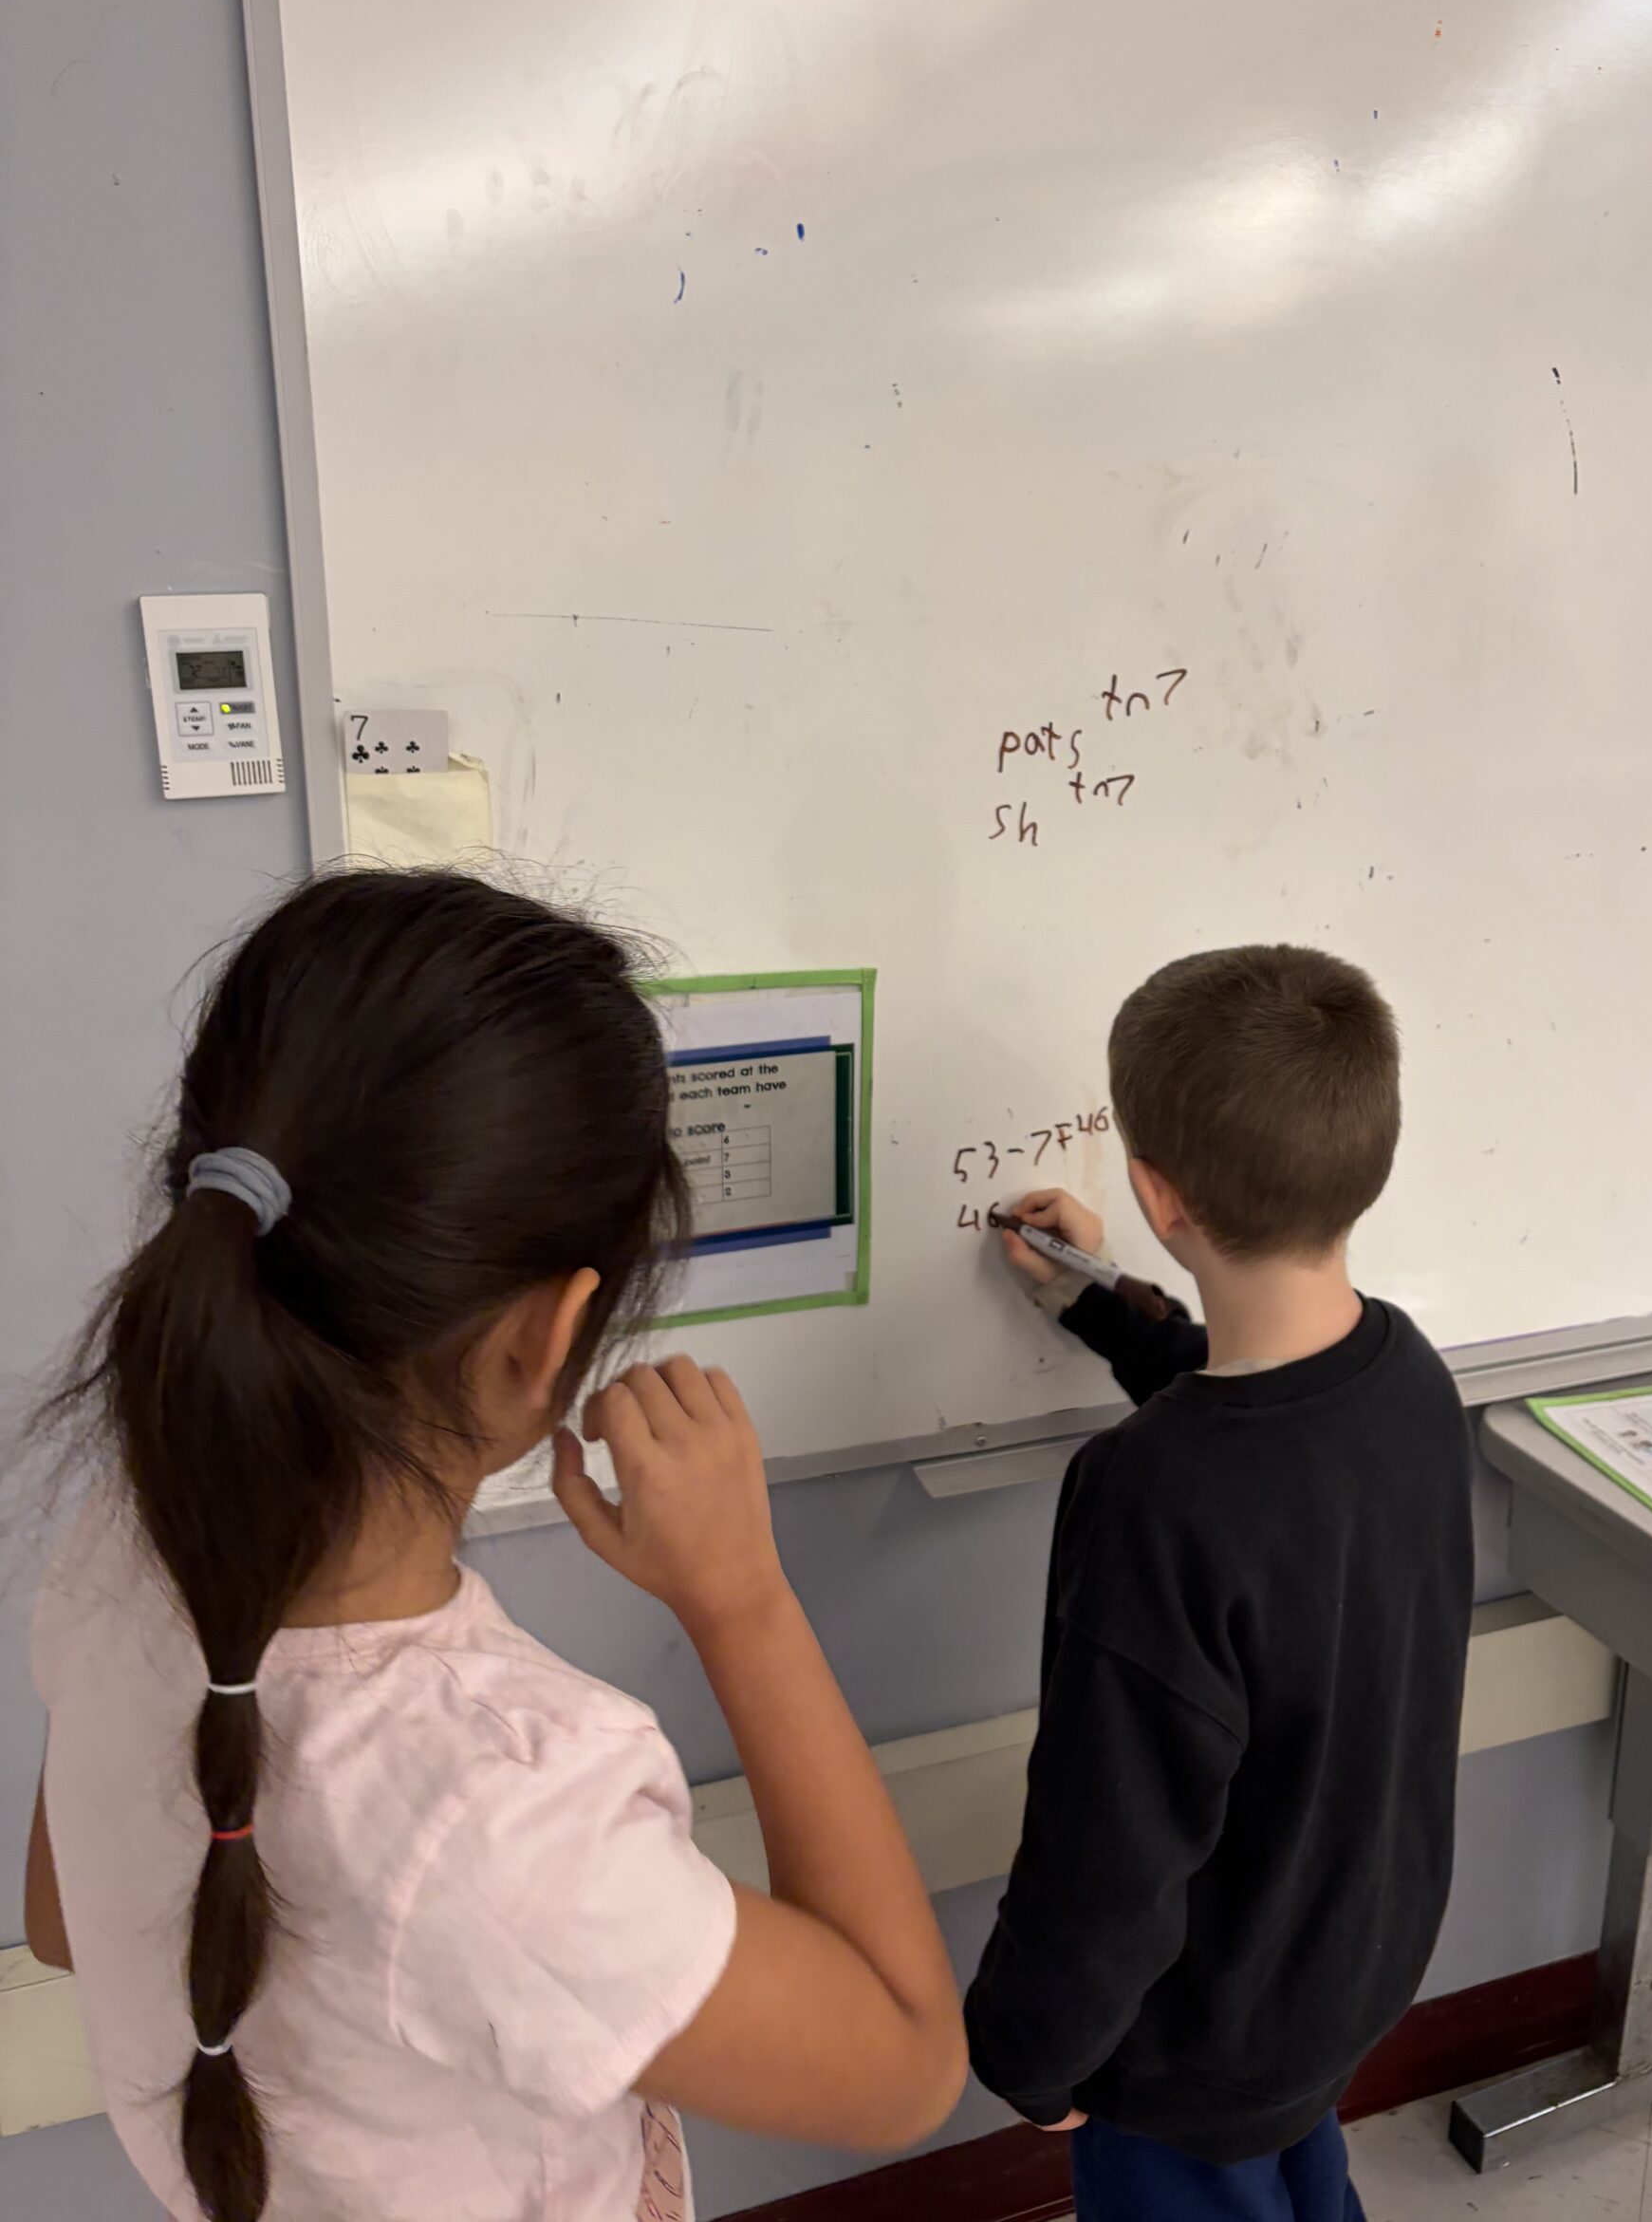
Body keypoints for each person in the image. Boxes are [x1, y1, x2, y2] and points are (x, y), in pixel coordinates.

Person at [25, 869, 963, 2222]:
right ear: (546, 1342)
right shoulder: (504, 1809)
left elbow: (69, 1926)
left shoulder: (124, 1544)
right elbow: (903, 2063)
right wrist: (742, 1600)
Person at [964, 943, 1474, 2222]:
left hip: (1184, 2041)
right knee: (1303, 2177)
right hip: (1340, 1970)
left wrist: (1030, 2052)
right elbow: (1266, 1431)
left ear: (1153, 1191)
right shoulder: (1408, 1380)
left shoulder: (1150, 1494)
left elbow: (1108, 1838)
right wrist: (1109, 1310)